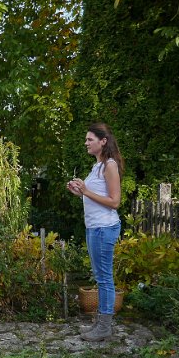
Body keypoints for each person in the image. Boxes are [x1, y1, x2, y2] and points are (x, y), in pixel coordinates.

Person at [67, 123, 123, 342]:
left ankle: (104, 327)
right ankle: (101, 323)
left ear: (103, 141)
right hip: (94, 227)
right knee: (101, 277)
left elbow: (115, 202)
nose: (86, 143)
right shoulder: (97, 166)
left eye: (90, 139)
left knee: (104, 278)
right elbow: (94, 196)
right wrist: (79, 192)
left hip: (104, 228)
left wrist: (86, 191)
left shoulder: (110, 165)